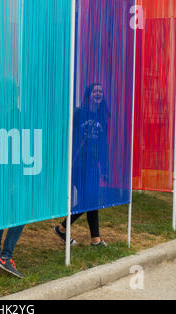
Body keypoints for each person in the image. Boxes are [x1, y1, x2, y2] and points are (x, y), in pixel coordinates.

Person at [54, 83, 108, 247]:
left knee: (91, 199)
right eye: (94, 91)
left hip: (92, 164)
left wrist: (104, 168)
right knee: (89, 199)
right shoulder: (79, 113)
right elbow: (66, 134)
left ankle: (90, 237)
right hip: (77, 163)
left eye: (100, 91)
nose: (97, 94)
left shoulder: (102, 117)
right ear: (88, 95)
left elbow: (104, 144)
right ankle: (66, 229)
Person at [0, 78, 26, 279]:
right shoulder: (13, 115)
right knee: (20, 213)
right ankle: (5, 256)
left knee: (1, 213)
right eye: (14, 93)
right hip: (9, 172)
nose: (16, 96)